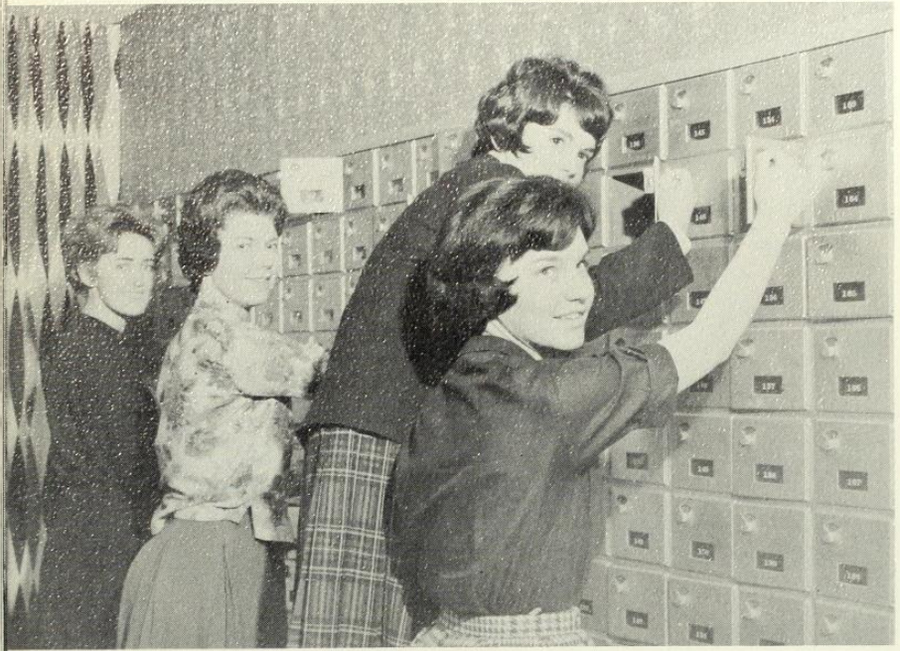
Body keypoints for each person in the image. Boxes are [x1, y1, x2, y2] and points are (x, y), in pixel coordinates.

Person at [290, 56, 695, 647]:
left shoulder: (470, 185)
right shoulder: (486, 193)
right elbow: (566, 302)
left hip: (379, 428)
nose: (569, 163)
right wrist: (672, 237)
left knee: (365, 627)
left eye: (583, 153)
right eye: (556, 137)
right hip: (374, 433)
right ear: (510, 126)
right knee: (353, 631)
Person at [396, 145, 816, 646]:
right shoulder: (547, 397)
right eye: (547, 271)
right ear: (486, 282)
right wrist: (775, 217)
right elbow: (709, 341)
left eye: (580, 265)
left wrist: (672, 231)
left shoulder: (460, 377)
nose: (580, 291)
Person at [117, 170, 324, 649]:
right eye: (244, 247)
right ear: (207, 253)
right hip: (212, 559)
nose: (265, 263)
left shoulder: (197, 328)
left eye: (271, 245)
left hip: (198, 552)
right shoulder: (230, 336)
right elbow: (336, 376)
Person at [35, 205, 163, 649]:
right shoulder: (96, 353)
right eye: (123, 264)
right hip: (103, 554)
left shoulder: (87, 341)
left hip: (82, 546)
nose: (140, 278)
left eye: (148, 264)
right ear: (87, 271)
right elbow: (131, 464)